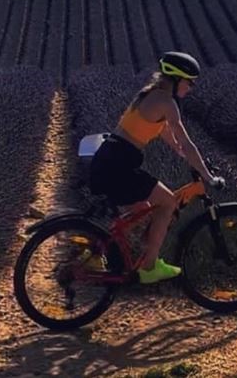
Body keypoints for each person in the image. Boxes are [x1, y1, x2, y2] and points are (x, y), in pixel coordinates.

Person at [88, 51, 225, 284]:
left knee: (142, 210)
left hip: (108, 159)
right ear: (176, 79)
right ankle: (149, 268)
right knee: (169, 203)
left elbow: (164, 132)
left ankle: (93, 254)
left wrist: (180, 154)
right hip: (120, 165)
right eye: (189, 82)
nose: (190, 88)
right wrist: (207, 176)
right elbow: (186, 141)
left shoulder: (148, 95)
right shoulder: (167, 102)